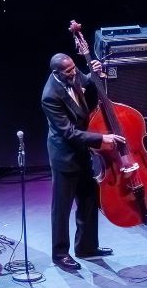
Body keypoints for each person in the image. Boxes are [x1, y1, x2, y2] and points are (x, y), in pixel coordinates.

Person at [41, 53, 125, 270]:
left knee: (88, 200)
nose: (74, 73)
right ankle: (60, 255)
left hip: (82, 151)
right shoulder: (50, 96)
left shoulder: (74, 74)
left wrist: (94, 72)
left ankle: (86, 247)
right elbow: (68, 133)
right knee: (62, 208)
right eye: (68, 72)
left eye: (74, 69)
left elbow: (87, 81)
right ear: (56, 73)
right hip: (64, 156)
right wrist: (101, 138)